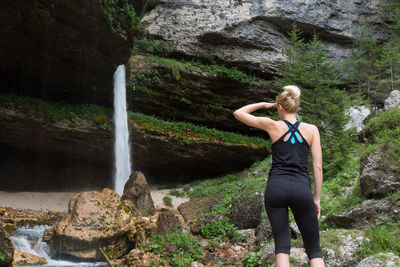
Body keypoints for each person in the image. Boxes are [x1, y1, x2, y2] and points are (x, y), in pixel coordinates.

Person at [233, 85, 325, 267]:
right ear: (297, 107)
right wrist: (317, 198)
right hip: (301, 189)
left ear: (280, 107)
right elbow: (318, 166)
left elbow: (238, 113)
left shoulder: (272, 125)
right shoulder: (312, 130)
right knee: (314, 250)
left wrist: (265, 105)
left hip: (276, 188)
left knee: (282, 248)